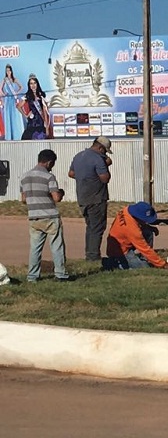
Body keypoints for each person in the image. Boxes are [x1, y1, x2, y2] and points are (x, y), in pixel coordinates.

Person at [19, 149, 72, 282]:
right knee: (56, 246)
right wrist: (61, 192)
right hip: (50, 216)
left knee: (35, 249)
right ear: (49, 162)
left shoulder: (24, 177)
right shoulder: (49, 177)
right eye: (52, 164)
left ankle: (32, 276)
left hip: (33, 216)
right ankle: (60, 274)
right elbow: (56, 198)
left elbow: (23, 199)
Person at [68, 136, 113, 261]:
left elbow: (71, 174)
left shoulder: (79, 156)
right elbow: (105, 178)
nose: (105, 154)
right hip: (96, 197)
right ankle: (93, 256)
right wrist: (105, 165)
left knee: (90, 226)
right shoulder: (98, 159)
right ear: (100, 148)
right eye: (105, 151)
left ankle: (89, 253)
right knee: (97, 227)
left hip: (83, 197)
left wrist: (85, 177)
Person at [105, 202, 168, 269]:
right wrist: (162, 264)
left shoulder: (126, 210)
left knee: (148, 232)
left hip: (124, 242)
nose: (146, 222)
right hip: (120, 252)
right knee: (144, 267)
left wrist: (149, 227)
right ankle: (114, 263)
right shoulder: (132, 230)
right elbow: (145, 248)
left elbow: (137, 223)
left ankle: (144, 258)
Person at [20, 74, 50, 140]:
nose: (33, 85)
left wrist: (47, 128)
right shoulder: (27, 95)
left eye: (34, 83)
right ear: (29, 85)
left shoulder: (42, 95)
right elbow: (18, 106)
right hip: (31, 124)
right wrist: (25, 115)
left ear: (37, 84)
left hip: (41, 124)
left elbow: (45, 111)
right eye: (31, 83)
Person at [2, 65, 25, 141]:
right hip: (8, 100)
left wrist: (17, 93)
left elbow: (21, 87)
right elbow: (0, 89)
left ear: (11, 71)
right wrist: (4, 94)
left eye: (9, 70)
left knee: (15, 116)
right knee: (8, 116)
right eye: (7, 70)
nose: (8, 72)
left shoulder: (15, 79)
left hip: (14, 99)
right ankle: (9, 136)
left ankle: (17, 135)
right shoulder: (5, 80)